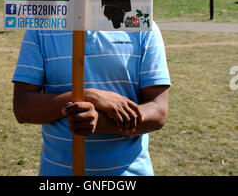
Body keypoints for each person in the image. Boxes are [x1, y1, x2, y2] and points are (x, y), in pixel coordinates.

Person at [12, 22, 171, 176]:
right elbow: (23, 108)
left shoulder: (143, 26)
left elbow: (158, 112)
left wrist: (99, 121)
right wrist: (89, 96)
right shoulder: (41, 28)